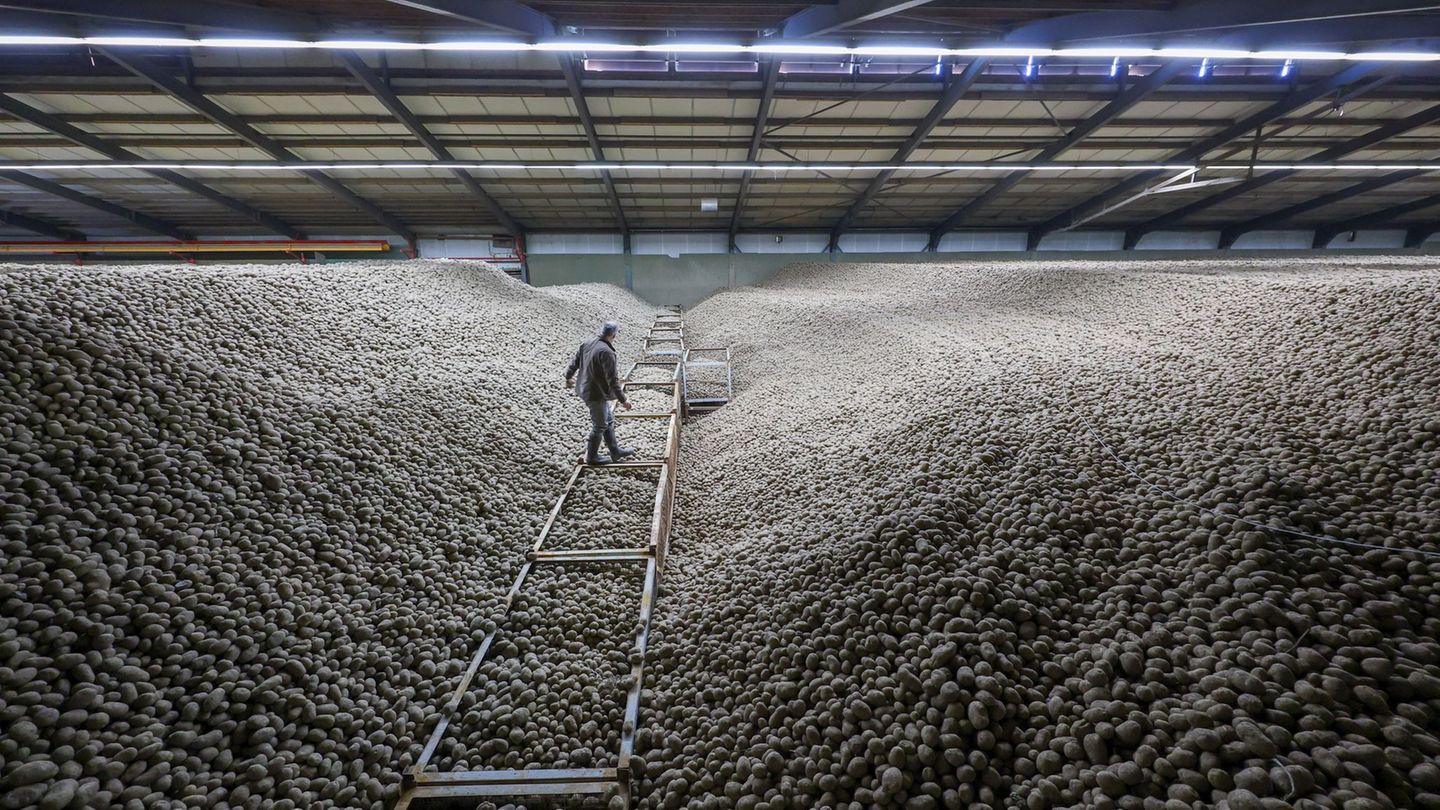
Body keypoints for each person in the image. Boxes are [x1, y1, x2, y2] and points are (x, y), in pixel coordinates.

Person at [565, 321, 636, 465]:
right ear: (613, 335)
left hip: (587, 388)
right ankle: (591, 457)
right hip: (594, 393)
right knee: (600, 425)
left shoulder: (587, 343)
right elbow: (613, 381)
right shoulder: (607, 353)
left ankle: (615, 450)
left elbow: (574, 363)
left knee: (608, 420)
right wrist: (623, 400)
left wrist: (568, 377)